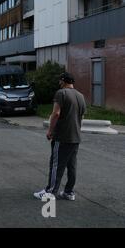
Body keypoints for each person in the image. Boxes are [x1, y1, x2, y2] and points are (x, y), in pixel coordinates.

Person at [34, 72, 86, 201]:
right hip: (75, 137)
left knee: (56, 164)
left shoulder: (61, 93)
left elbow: (56, 113)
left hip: (62, 136)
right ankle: (69, 192)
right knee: (71, 165)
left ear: (63, 81)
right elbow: (82, 116)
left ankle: (50, 192)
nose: (59, 83)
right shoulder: (81, 96)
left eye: (60, 80)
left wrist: (50, 131)